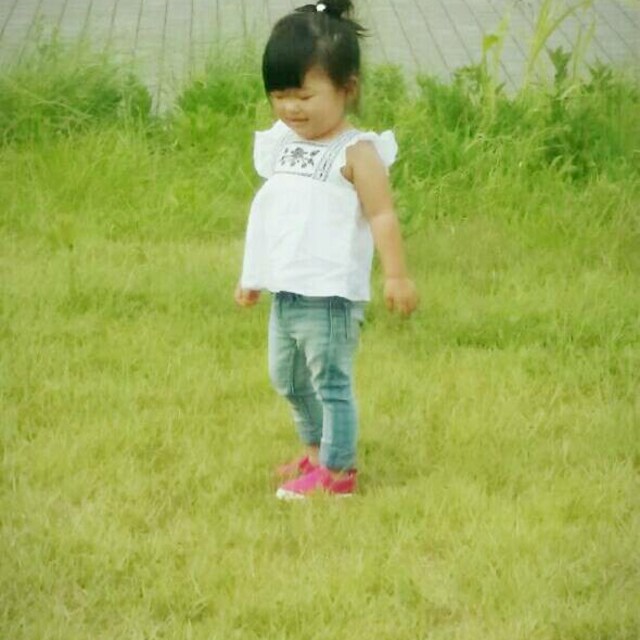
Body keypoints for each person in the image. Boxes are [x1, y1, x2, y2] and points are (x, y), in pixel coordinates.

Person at [234, 0, 418, 499]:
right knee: (288, 379)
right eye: (279, 96)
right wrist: (253, 275)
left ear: (347, 88)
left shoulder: (358, 153)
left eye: (303, 95)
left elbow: (382, 216)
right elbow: (274, 215)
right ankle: (315, 453)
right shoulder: (284, 143)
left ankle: (338, 472)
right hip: (288, 293)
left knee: (330, 383)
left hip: (330, 296)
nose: (290, 108)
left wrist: (396, 275)